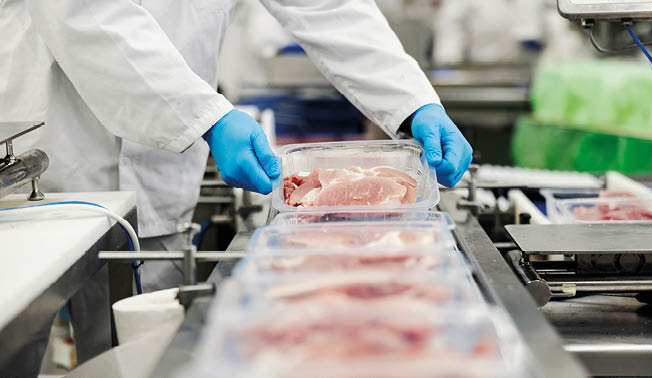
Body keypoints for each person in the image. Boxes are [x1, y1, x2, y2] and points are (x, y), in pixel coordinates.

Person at [1, 0, 472, 372]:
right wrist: (207, 118)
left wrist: (411, 102)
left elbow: (329, 5)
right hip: (48, 146)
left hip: (165, 172)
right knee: (18, 334)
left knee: (150, 353)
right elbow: (83, 12)